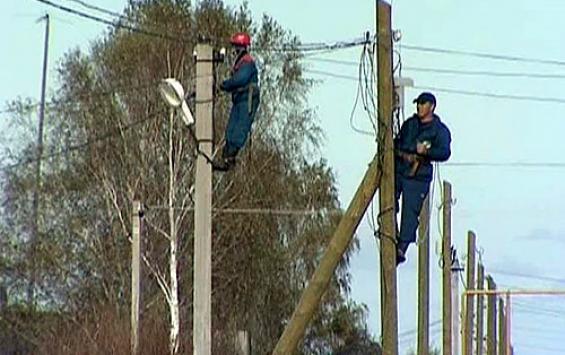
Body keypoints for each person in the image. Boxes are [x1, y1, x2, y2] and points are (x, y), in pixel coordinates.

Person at [394, 92, 451, 265]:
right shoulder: (410, 125)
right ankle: (389, 230)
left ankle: (401, 248)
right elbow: (397, 142)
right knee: (389, 200)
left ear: (432, 106)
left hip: (419, 176)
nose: (419, 107)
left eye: (423, 104)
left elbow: (444, 152)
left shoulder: (439, 130)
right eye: (418, 104)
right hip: (400, 168)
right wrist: (409, 151)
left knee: (410, 212)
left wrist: (426, 152)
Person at [213, 32, 261, 171]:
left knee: (239, 129)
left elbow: (239, 80)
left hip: (247, 99)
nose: (234, 51)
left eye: (236, 47)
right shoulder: (240, 63)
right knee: (231, 131)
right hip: (239, 99)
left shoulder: (247, 62)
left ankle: (229, 158)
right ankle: (226, 157)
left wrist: (224, 85)